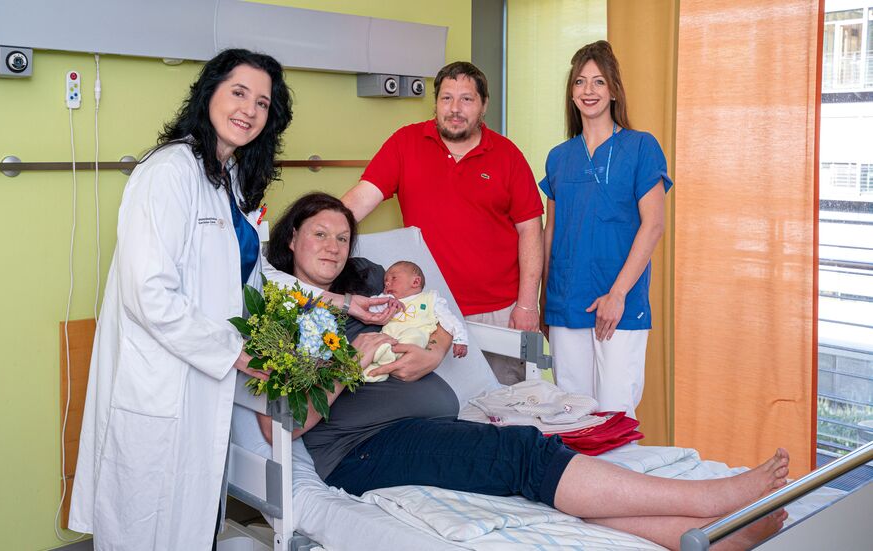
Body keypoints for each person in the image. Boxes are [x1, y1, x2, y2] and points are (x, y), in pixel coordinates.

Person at [258, 193, 790, 551]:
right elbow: (281, 423)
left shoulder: (373, 290)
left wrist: (437, 349)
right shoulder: (281, 315)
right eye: (319, 235)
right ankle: (708, 499)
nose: (333, 246)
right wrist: (348, 363)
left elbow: (436, 317)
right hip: (364, 448)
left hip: (422, 425)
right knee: (523, 453)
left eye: (342, 237)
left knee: (524, 476)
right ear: (290, 241)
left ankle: (694, 535)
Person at [68, 48, 294, 551]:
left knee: (186, 520)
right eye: (239, 93)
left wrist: (340, 304)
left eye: (262, 102)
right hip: (162, 380)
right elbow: (148, 293)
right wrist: (232, 351)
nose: (249, 110)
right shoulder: (169, 171)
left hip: (200, 375)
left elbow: (250, 274)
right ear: (209, 92)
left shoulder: (228, 176)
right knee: (146, 521)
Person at [341, 61, 543, 386]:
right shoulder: (405, 144)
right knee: (444, 411)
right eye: (446, 99)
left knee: (504, 411)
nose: (455, 109)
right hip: (428, 311)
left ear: (483, 105)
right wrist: (316, 233)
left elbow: (531, 231)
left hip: (498, 312)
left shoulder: (508, 156)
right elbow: (358, 201)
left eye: (466, 99)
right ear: (435, 103)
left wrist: (527, 304)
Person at [540, 41, 673, 419]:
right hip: (567, 303)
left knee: (615, 416)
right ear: (572, 92)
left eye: (598, 82)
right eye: (580, 82)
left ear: (613, 90)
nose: (589, 91)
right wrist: (544, 302)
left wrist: (616, 295)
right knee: (571, 416)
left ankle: (619, 481)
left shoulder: (641, 147)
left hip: (621, 303)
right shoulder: (559, 157)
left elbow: (654, 226)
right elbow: (552, 233)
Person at [363, 260, 468, 382]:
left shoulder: (430, 299)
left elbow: (449, 319)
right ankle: (369, 372)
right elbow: (369, 307)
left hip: (413, 341)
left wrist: (460, 339)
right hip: (389, 336)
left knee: (414, 335)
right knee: (376, 341)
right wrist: (385, 302)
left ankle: (385, 359)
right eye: (385, 281)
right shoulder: (387, 299)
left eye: (393, 278)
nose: (387, 283)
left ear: (415, 281)